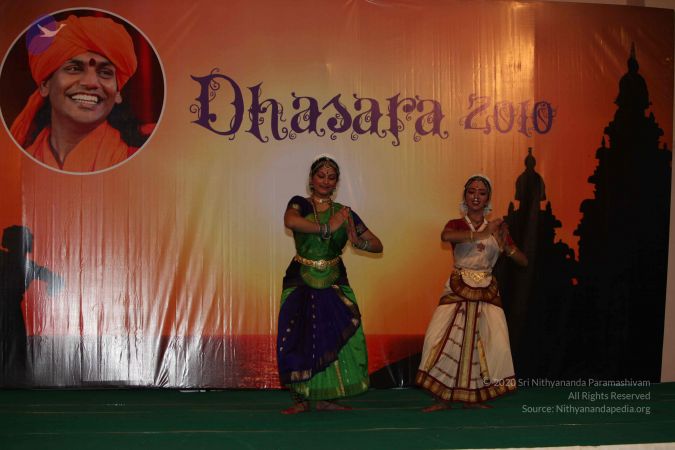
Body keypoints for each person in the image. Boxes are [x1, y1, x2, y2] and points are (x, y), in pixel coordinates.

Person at [277, 155, 383, 414]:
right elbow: (290, 221)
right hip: (301, 277)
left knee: (339, 332)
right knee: (299, 335)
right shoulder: (299, 203)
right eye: (321, 176)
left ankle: (327, 397)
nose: (325, 181)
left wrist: (360, 242)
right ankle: (301, 400)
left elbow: (377, 244)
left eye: (331, 177)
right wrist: (326, 228)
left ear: (337, 182)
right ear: (311, 179)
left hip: (334, 278)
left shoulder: (344, 213)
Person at [416, 174, 527, 411]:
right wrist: (482, 234)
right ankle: (442, 398)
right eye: (471, 192)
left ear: (488, 198)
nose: (476, 196)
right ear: (465, 196)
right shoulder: (456, 224)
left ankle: (474, 398)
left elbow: (523, 260)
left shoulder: (498, 228)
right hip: (458, 285)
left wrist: (505, 246)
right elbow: (446, 236)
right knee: (439, 338)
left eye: (481, 193)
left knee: (489, 341)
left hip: (486, 288)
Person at [9, 14, 146, 172]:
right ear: (45, 85)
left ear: (117, 93)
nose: (91, 82)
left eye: (105, 73)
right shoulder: (15, 166)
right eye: (74, 69)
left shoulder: (142, 162)